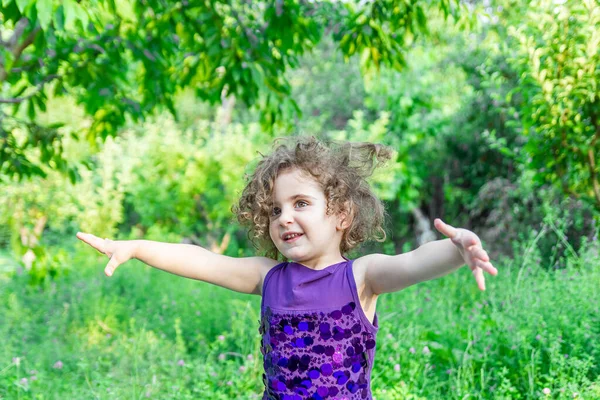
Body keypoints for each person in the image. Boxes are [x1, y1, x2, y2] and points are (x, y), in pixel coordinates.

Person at [76, 136, 497, 400]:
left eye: (301, 204)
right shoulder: (268, 277)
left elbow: (411, 263)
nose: (284, 218)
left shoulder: (360, 277)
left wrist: (457, 249)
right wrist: (135, 247)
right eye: (275, 210)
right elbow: (202, 260)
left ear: (342, 214)